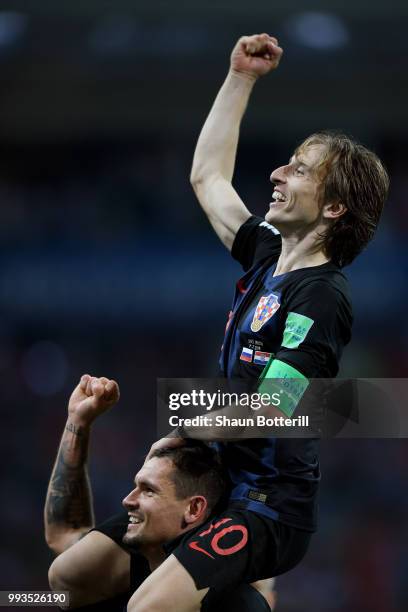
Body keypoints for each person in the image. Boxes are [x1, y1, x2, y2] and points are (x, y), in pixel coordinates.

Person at [123, 33, 389, 611]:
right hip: (225, 487)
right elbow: (207, 178)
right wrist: (240, 78)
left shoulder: (322, 297)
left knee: (144, 607)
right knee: (77, 577)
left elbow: (273, 408)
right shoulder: (267, 255)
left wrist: (185, 418)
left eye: (298, 169)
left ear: (334, 208)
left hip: (268, 506)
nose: (277, 172)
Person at [45, 374, 271, 611]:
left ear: (194, 508)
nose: (128, 500)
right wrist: (78, 421)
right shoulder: (120, 558)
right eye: (137, 487)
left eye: (148, 491)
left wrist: (184, 431)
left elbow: (272, 410)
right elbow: (65, 533)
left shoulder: (238, 605)